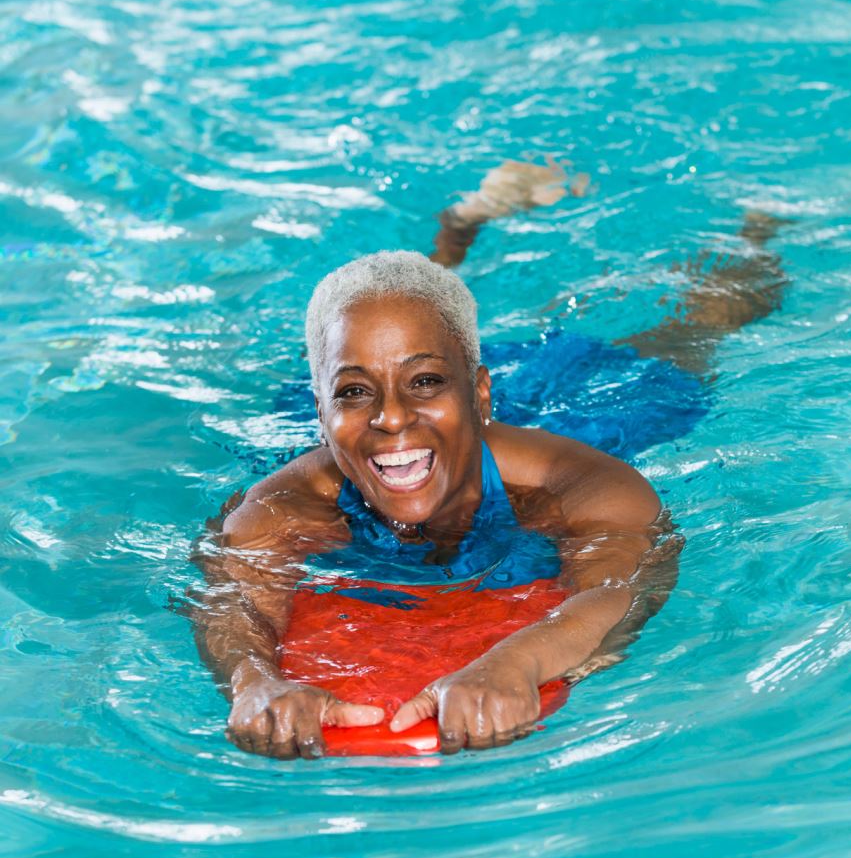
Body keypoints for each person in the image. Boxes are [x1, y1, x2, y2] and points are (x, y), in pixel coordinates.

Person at [191, 160, 786, 759]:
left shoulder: (585, 484)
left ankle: (763, 223)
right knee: (391, 338)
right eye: (351, 392)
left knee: (696, 333)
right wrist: (255, 682)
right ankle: (451, 239)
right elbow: (234, 607)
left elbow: (620, 588)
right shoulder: (275, 508)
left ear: (480, 395)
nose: (390, 417)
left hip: (583, 412)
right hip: (423, 414)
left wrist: (519, 660)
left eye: (425, 382)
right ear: (320, 416)